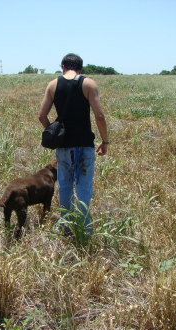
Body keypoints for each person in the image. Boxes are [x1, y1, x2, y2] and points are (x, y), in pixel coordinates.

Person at [38, 53, 109, 234]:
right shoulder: (88, 84)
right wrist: (105, 141)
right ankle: (85, 228)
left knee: (65, 185)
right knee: (84, 187)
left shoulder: (53, 85)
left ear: (62, 66)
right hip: (85, 144)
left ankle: (65, 224)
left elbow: (42, 115)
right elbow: (99, 116)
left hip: (63, 146)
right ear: (80, 68)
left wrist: (54, 134)